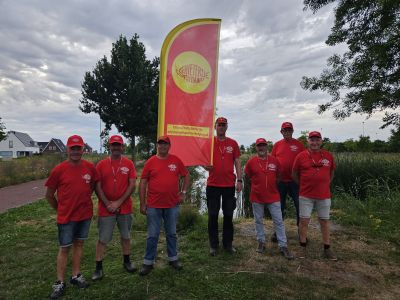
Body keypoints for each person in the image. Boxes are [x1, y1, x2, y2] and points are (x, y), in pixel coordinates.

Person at [45, 135, 98, 299]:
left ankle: (75, 276)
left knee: (79, 245)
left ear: (83, 149)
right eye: (72, 148)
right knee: (64, 248)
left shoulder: (90, 168)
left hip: (84, 215)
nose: (76, 151)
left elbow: (93, 187)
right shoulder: (59, 169)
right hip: (66, 217)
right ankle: (59, 283)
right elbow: (49, 195)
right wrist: (60, 209)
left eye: (79, 148)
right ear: (67, 149)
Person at [138, 136, 190, 276]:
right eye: (160, 144)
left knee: (171, 234)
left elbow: (186, 175)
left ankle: (173, 259)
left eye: (165, 144)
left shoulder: (176, 160)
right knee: (152, 235)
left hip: (172, 205)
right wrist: (143, 203)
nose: (162, 146)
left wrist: (183, 192)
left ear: (169, 146)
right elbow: (143, 183)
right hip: (153, 206)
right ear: (157, 146)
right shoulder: (150, 162)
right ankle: (148, 262)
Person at [92, 135, 138, 281]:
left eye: (118, 145)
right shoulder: (101, 165)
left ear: (122, 147)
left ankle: (127, 262)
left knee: (126, 236)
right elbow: (97, 186)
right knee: (103, 239)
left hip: (125, 207)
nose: (116, 147)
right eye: (113, 145)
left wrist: (118, 202)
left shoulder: (129, 164)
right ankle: (98, 268)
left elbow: (132, 185)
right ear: (109, 147)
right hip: (106, 209)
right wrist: (107, 204)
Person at [244, 138, 294, 259]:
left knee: (278, 221)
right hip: (257, 196)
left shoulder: (274, 161)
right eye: (259, 146)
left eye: (263, 145)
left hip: (273, 195)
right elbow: (247, 177)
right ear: (256, 147)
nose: (261, 148)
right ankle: (261, 242)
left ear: (267, 147)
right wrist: (257, 186)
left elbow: (278, 176)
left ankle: (283, 245)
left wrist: (270, 186)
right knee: (258, 220)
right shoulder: (251, 162)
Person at [292, 131, 337, 260]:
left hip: (324, 195)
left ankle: (327, 248)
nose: (315, 142)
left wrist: (325, 183)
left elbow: (332, 172)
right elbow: (294, 174)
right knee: (304, 221)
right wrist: (303, 185)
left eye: (317, 140)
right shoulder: (301, 156)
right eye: (312, 140)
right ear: (308, 141)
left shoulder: (328, 156)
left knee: (324, 221)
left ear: (321, 141)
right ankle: (302, 246)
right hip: (306, 195)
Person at [205, 117, 242, 256]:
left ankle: (228, 244)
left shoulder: (233, 143)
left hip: (228, 185)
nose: (221, 127)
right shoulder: (209, 143)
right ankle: (213, 246)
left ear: (227, 127)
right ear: (215, 127)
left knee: (228, 215)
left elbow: (238, 162)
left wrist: (239, 180)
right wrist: (204, 165)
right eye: (219, 125)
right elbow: (203, 159)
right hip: (213, 185)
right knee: (212, 215)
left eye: (223, 125)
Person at [271, 122, 305, 241]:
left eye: (289, 130)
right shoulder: (277, 145)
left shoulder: (299, 145)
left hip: (295, 182)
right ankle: (277, 233)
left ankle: (302, 233)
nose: (287, 132)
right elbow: (272, 162)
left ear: (292, 131)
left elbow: (304, 161)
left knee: (299, 206)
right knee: (279, 207)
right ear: (281, 132)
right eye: (285, 130)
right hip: (280, 182)